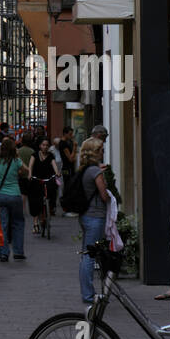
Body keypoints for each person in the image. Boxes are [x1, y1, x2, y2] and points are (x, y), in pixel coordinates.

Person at [78, 136, 111, 306]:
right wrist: (103, 179)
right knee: (90, 256)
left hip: (85, 215)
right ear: (95, 152)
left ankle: (87, 292)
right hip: (95, 215)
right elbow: (104, 195)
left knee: (86, 254)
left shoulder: (84, 169)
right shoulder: (95, 171)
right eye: (101, 150)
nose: (103, 153)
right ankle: (88, 295)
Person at [0, 137, 26, 263]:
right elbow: (26, 170)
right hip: (15, 195)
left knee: (3, 225)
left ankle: (3, 253)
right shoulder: (16, 161)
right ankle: (18, 252)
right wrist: (18, 173)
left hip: (0, 195)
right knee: (18, 223)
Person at [27, 136, 60, 229]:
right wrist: (29, 174)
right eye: (43, 145)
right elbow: (31, 166)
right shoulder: (35, 155)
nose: (45, 147)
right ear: (40, 146)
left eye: (47, 145)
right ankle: (35, 223)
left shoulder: (51, 156)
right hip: (36, 179)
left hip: (47, 179)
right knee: (35, 200)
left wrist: (57, 172)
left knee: (53, 190)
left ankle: (51, 208)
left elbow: (54, 165)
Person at [58, 125, 78, 214]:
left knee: (68, 186)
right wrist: (74, 147)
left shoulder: (64, 143)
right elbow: (70, 158)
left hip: (67, 168)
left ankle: (68, 206)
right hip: (68, 168)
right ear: (65, 134)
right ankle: (67, 206)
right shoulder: (64, 144)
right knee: (69, 186)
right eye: (70, 134)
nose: (71, 136)